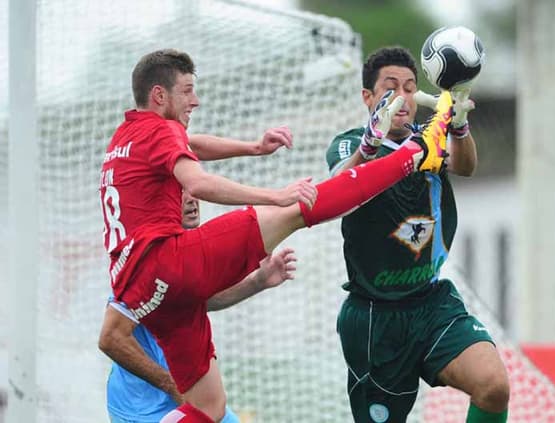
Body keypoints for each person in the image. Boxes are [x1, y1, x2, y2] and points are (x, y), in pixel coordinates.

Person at [98, 48, 447, 423]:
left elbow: (192, 145)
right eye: (187, 91)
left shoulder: (128, 135)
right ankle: (413, 153)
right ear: (159, 95)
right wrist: (273, 195)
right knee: (295, 211)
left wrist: (253, 148)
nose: (195, 100)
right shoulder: (159, 129)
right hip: (166, 261)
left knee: (209, 409)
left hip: (143, 285)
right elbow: (196, 182)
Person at [325, 46, 510, 423]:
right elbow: (337, 187)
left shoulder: (431, 137)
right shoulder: (349, 144)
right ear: (369, 97)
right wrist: (369, 146)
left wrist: (458, 126)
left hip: (432, 303)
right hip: (376, 317)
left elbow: (466, 165)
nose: (402, 97)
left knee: (493, 386)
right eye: (390, 87)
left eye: (410, 87)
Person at [106, 191, 297, 423]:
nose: (191, 199)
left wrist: (257, 282)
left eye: (193, 191)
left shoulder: (186, 249)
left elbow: (199, 299)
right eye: (179, 192)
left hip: (190, 399)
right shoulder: (144, 256)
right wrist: (169, 383)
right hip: (140, 410)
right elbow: (111, 338)